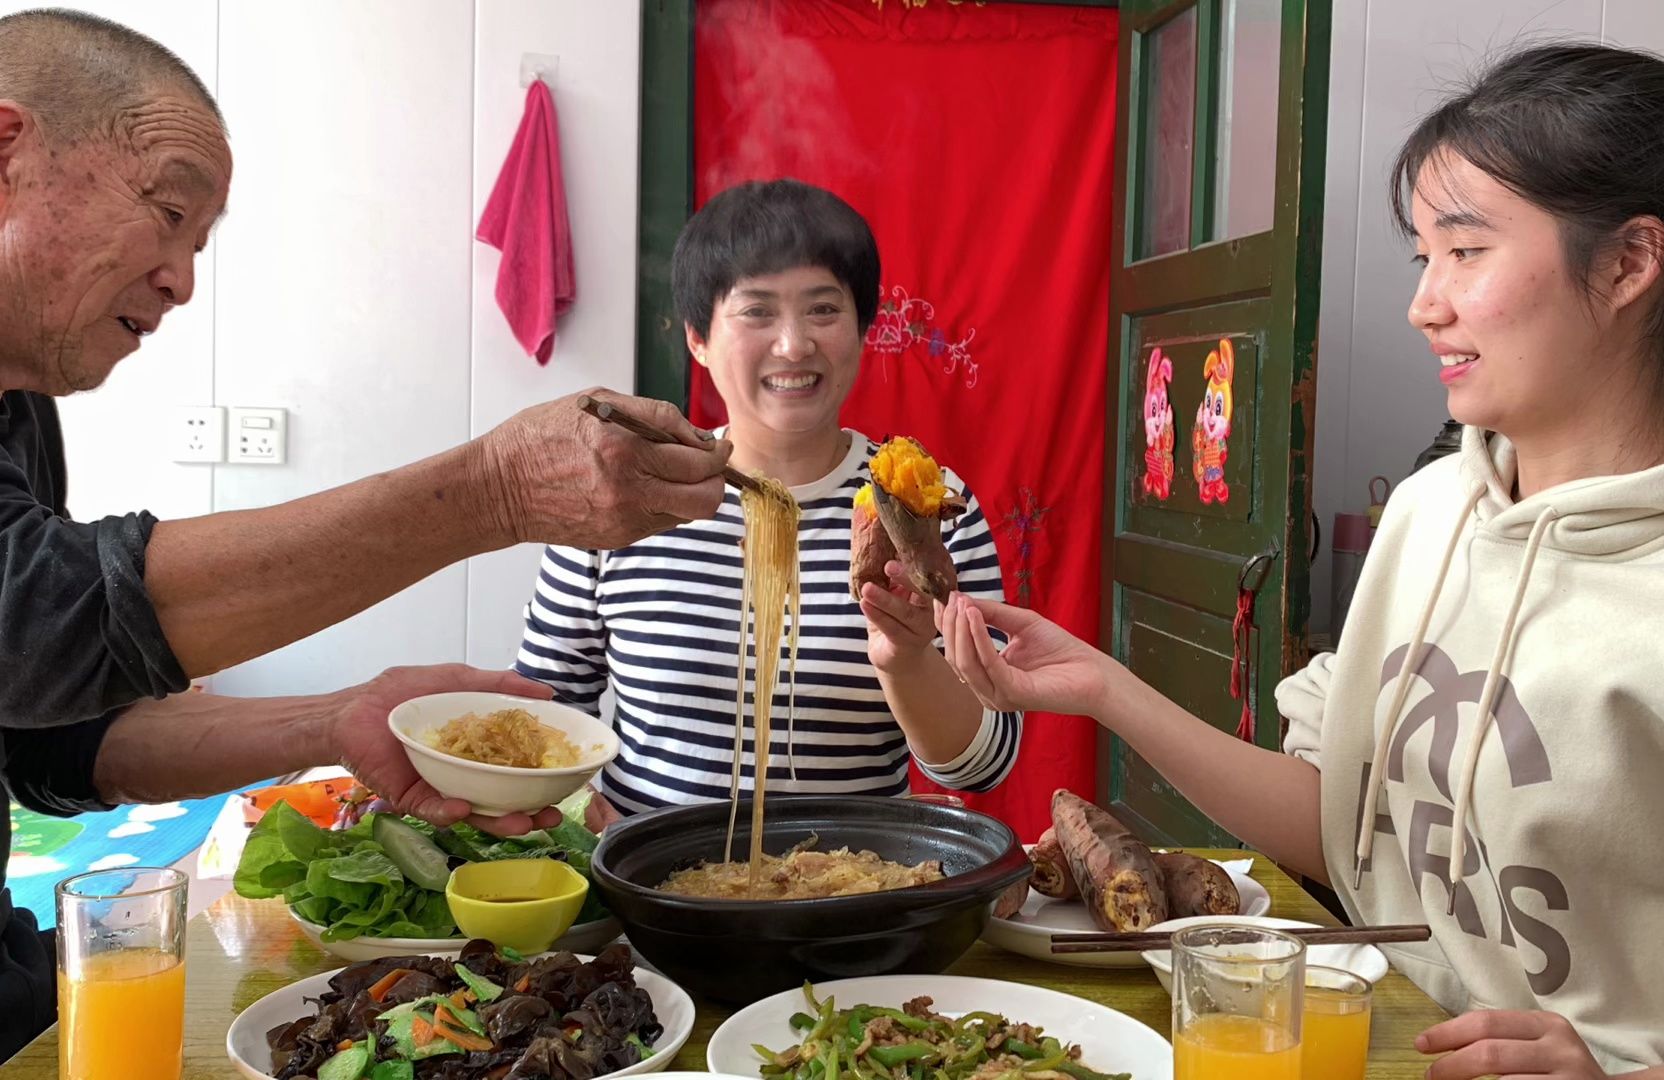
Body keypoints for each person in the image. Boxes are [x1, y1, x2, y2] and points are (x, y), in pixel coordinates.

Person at [935, 43, 1664, 1078]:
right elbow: (1348, 832)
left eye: (1466, 251)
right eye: (1422, 258)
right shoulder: (1433, 511)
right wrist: (1103, 688)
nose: (1424, 303)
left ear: (1627, 264)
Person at [0, 8, 730, 1057]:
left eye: (198, 244)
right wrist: (492, 491)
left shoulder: (20, 408)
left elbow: (47, 732)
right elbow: (32, 619)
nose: (182, 279)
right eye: (166, 211)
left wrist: (346, 718)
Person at [514, 179, 1021, 822]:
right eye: (756, 311)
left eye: (823, 310)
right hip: (652, 895)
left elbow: (986, 763)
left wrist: (910, 656)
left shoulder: (929, 507)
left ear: (864, 328)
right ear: (698, 337)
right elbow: (544, 714)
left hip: (855, 894)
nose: (794, 344)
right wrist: (598, 830)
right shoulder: (619, 494)